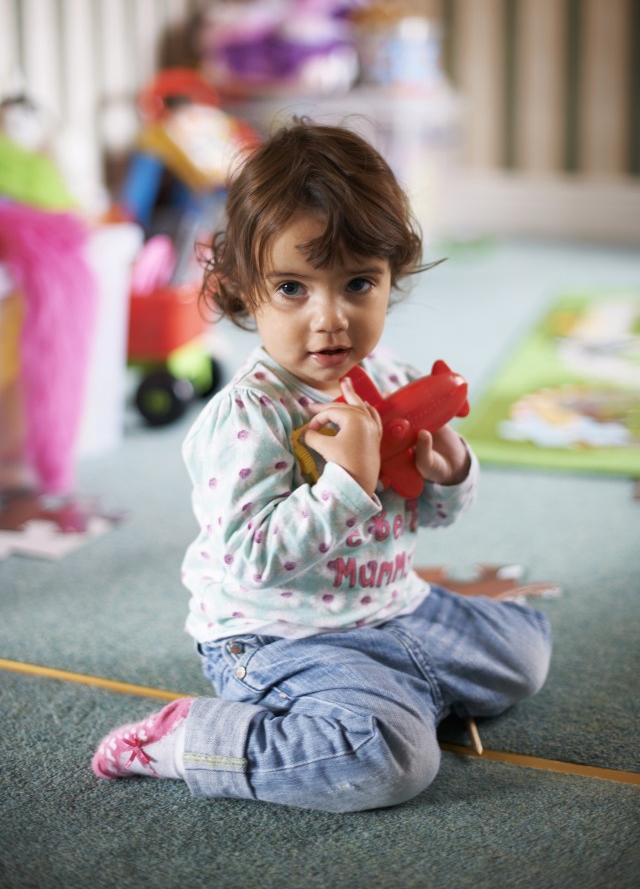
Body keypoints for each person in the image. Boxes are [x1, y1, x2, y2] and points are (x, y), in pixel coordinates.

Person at [92, 120, 551, 812]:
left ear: (392, 276)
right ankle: (191, 737)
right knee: (388, 760)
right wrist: (344, 483)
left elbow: (427, 512)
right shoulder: (248, 417)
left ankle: (395, 686)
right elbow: (253, 559)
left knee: (525, 656)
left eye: (357, 283)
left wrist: (449, 470)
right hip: (277, 634)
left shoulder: (386, 377)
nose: (330, 319)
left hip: (390, 605)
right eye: (293, 289)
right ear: (245, 288)